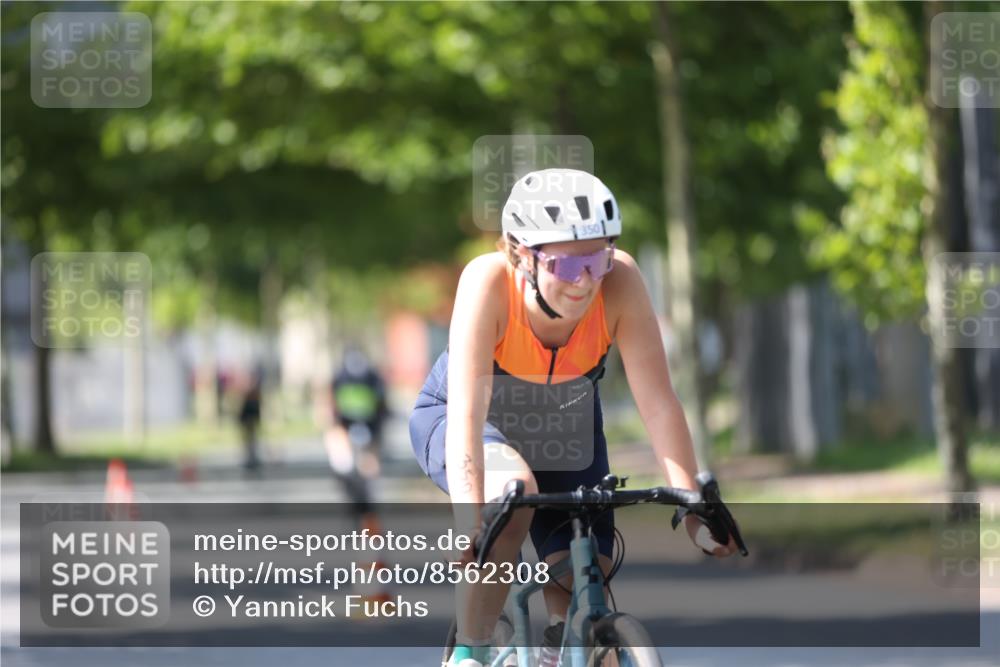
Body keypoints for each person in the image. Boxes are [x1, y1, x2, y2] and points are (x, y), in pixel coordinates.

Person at [409, 169, 738, 667]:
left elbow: (658, 401)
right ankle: (469, 653)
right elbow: (468, 419)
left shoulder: (621, 281)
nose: (585, 281)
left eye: (597, 259)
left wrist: (693, 506)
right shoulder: (486, 282)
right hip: (466, 419)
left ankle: (564, 652)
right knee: (511, 499)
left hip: (565, 424)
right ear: (521, 255)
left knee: (584, 578)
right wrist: (468, 523)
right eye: (566, 267)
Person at [325, 345, 389, 534]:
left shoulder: (373, 378)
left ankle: (368, 518)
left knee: (368, 476)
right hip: (343, 431)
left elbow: (381, 407)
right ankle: (356, 510)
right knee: (344, 470)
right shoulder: (339, 379)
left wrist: (378, 433)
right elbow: (330, 407)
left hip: (369, 433)